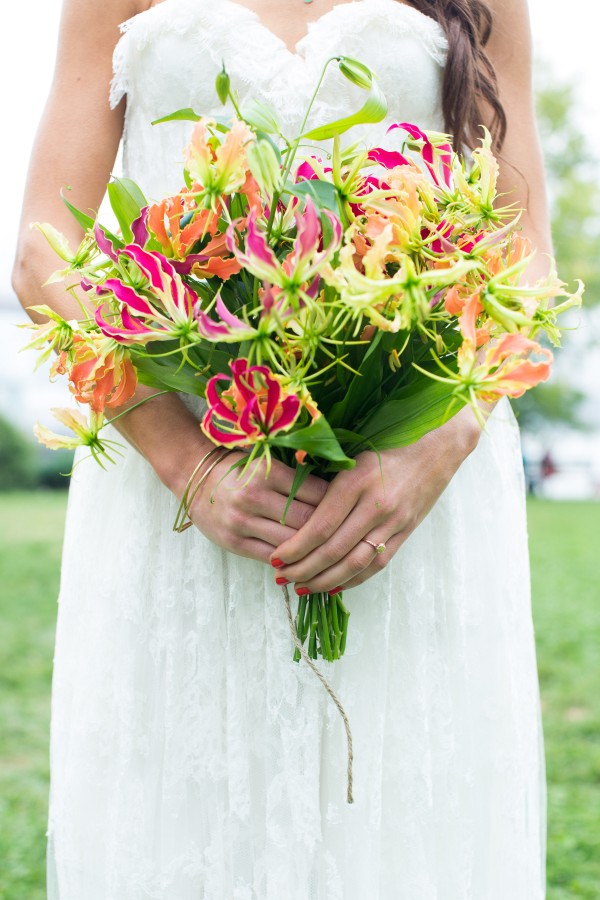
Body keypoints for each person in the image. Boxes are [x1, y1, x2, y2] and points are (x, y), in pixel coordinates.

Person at [13, 0, 550, 896]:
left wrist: (439, 441)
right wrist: (181, 456)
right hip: (185, 491)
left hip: (409, 491)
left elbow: (522, 250)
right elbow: (43, 252)